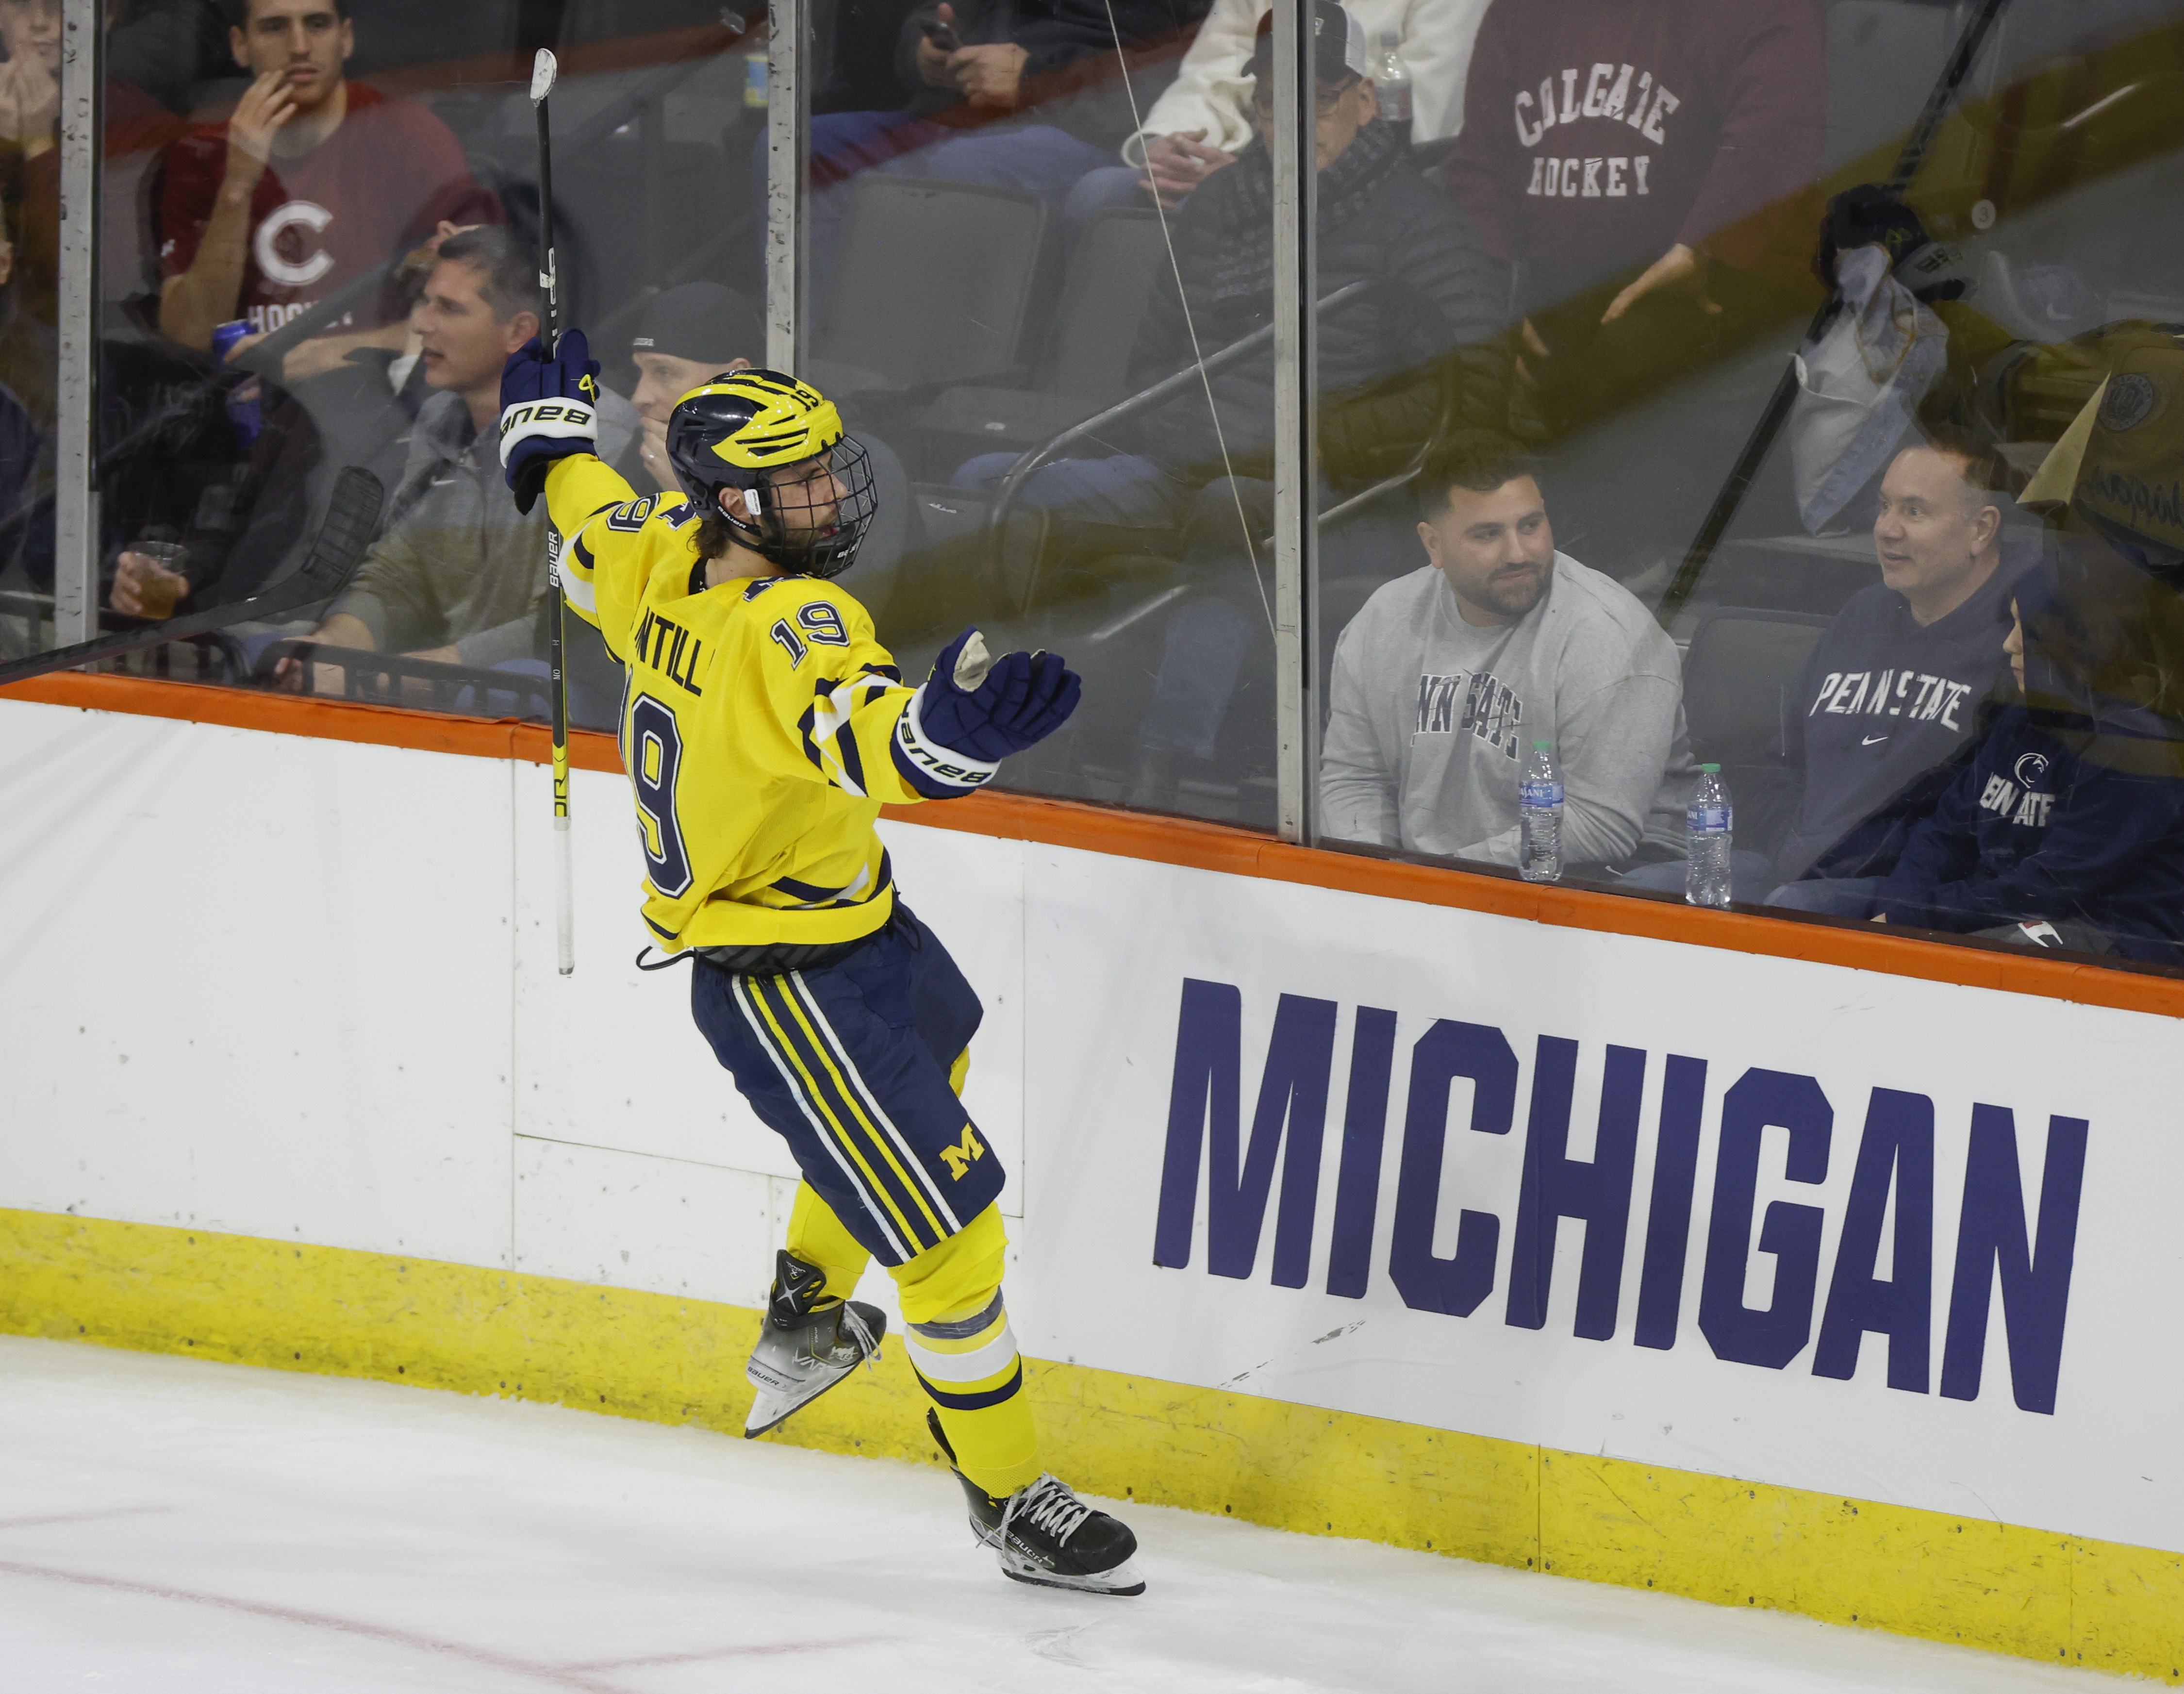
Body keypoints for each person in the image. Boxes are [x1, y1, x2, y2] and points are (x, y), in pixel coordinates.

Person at [497, 338, 1142, 1596]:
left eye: (821, 472)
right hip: (783, 975)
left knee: (942, 1032)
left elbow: (571, 507)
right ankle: (1009, 1497)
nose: (830, 496)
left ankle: (804, 1306)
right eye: (795, 483)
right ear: (731, 503)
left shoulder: (648, 551)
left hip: (853, 925)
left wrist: (542, 438)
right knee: (951, 1237)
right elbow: (867, 739)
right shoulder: (793, 616)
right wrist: (947, 737)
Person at [273, 227, 635, 684]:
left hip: (535, 712)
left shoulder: (597, 436)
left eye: (448, 308)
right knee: (261, 648)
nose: (421, 324)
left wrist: (384, 680)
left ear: (520, 332)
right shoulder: (439, 416)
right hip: (445, 691)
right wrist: (329, 646)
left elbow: (564, 631)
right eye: (426, 302)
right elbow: (400, 574)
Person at [1321, 430, 1694, 869]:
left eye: (1530, 526)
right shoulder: (1384, 620)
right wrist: (1376, 874)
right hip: (1438, 881)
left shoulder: (1610, 637)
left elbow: (1599, 827)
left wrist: (1446, 879)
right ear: (1433, 544)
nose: (1518, 553)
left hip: (1611, 880)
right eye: (1487, 535)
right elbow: (1355, 779)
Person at [1767, 591, 2184, 963]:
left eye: (2031, 629)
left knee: (1975, 963)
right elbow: (1946, 830)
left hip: (2102, 931)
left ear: (2087, 642)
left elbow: (2052, 887)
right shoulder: (2021, 715)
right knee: (1798, 903)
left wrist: (1917, 916)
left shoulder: (2132, 747)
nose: (2010, 643)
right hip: (1977, 902)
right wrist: (1901, 904)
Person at [154, 0, 498, 379]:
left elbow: (483, 321)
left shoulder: (408, 136)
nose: (300, 46)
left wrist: (324, 354)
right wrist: (237, 184)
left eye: (317, 25)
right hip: (247, 413)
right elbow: (189, 339)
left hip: (382, 410)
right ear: (240, 45)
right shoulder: (200, 157)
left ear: (345, 39)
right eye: (274, 27)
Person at [1745, 437, 2029, 892]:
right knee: (1660, 888)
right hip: (1793, 869)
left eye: (1914, 512)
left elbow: (1987, 812)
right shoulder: (1862, 614)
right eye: (1883, 507)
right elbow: (1783, 762)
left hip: (1906, 891)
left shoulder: (2022, 633)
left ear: (1981, 529)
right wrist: (1791, 851)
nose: (1886, 530)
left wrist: (1853, 878)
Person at [1065, 0, 1492, 222]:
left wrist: (1250, 179)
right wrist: (1169, 147)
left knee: (1203, 215)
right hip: (1237, 157)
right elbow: (1215, 61)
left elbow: (1415, 122)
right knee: (1100, 193)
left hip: (1350, 184)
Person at [801, 0, 1208, 221]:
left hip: (1088, 129)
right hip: (959, 115)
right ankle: (818, 352)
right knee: (803, 149)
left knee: (967, 166)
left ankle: (933, 370)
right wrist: (928, 55)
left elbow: (1189, 75)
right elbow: (934, 14)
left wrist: (1034, 80)